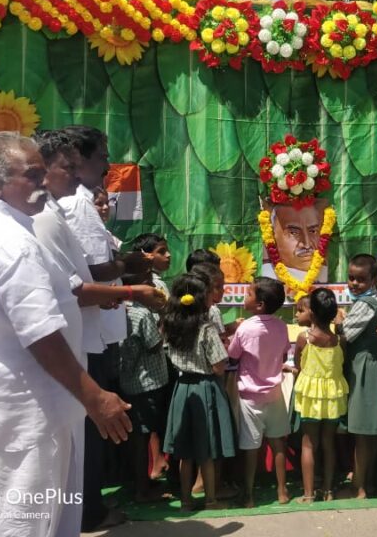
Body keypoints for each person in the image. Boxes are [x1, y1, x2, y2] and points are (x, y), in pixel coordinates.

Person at [0, 132, 132, 537]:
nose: (43, 182)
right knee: (22, 519)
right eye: (31, 175)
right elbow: (40, 335)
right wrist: (95, 397)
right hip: (27, 405)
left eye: (43, 173)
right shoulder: (11, 244)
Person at [59, 125, 148, 531]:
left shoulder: (70, 204)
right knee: (92, 424)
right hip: (87, 335)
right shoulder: (79, 206)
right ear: (77, 160)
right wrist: (130, 269)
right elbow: (96, 271)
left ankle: (87, 503)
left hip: (90, 330)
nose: (108, 166)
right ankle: (89, 509)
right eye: (101, 157)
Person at [163, 274, 234, 511]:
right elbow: (218, 365)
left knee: (185, 451)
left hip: (182, 388)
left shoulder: (170, 326)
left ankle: (185, 500)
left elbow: (167, 352)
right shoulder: (206, 329)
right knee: (207, 449)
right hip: (206, 388)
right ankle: (211, 500)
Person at [228, 277, 291, 507]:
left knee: (250, 448)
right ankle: (282, 491)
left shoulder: (245, 328)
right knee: (277, 443)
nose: (244, 297)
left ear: (259, 305)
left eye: (248, 294)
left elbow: (233, 355)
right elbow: (283, 354)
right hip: (274, 392)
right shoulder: (281, 326)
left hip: (250, 397)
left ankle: (249, 494)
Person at [118, 236, 173, 503]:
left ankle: (141, 482)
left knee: (139, 434)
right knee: (141, 435)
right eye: (147, 279)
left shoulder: (122, 307)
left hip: (130, 381)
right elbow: (154, 344)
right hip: (148, 382)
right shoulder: (141, 312)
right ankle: (142, 488)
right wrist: (162, 320)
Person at [339, 253, 377, 499]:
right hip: (376, 366)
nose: (354, 284)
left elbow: (346, 333)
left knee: (363, 433)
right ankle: (368, 483)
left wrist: (337, 321)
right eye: (351, 278)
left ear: (373, 279)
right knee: (370, 433)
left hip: (366, 369)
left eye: (360, 279)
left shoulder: (365, 304)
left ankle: (358, 487)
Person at [293, 288, 347, 502]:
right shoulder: (340, 340)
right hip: (332, 396)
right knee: (328, 443)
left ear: (312, 314)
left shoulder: (304, 338)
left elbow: (299, 365)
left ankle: (308, 494)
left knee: (308, 443)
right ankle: (328, 490)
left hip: (310, 397)